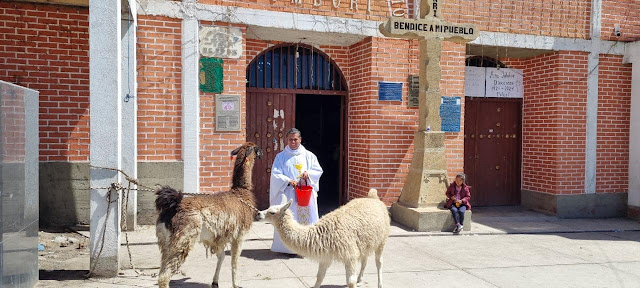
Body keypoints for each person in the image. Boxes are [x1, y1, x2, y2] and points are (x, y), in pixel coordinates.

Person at [269, 128, 323, 254]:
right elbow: (275, 173)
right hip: (288, 194)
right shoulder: (280, 157)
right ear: (286, 140)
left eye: (295, 139)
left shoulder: (309, 156)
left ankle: (306, 248)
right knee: (287, 221)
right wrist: (288, 180)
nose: (293, 142)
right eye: (290, 140)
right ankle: (286, 248)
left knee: (305, 220)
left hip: (304, 195)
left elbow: (318, 170)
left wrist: (307, 173)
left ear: (300, 140)